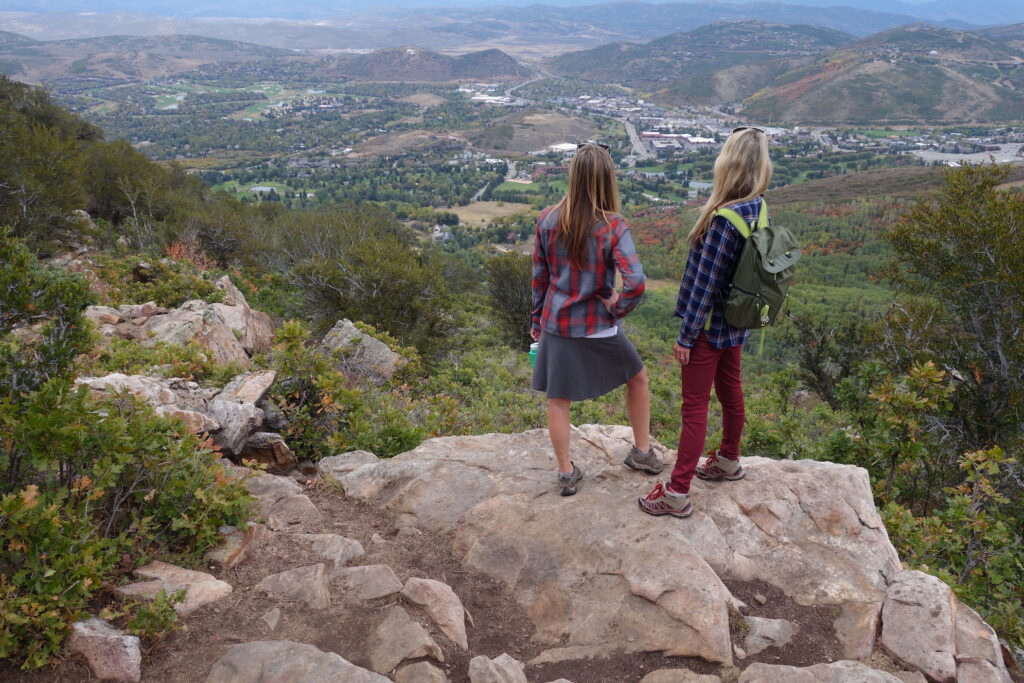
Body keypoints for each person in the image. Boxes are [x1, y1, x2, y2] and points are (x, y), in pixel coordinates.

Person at [638, 127, 772, 518]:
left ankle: (677, 493)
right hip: (737, 322)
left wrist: (686, 335)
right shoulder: (759, 207)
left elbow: (704, 286)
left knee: (694, 408)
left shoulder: (723, 219)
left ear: (726, 163)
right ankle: (729, 459)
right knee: (732, 391)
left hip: (709, 327)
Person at [531, 142, 660, 496]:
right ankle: (642, 452)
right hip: (599, 325)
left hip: (558, 323)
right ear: (607, 179)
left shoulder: (547, 218)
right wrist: (617, 307)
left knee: (558, 398)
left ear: (573, 176)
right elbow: (635, 283)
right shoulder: (613, 225)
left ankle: (565, 472)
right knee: (638, 379)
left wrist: (536, 319)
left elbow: (539, 278)